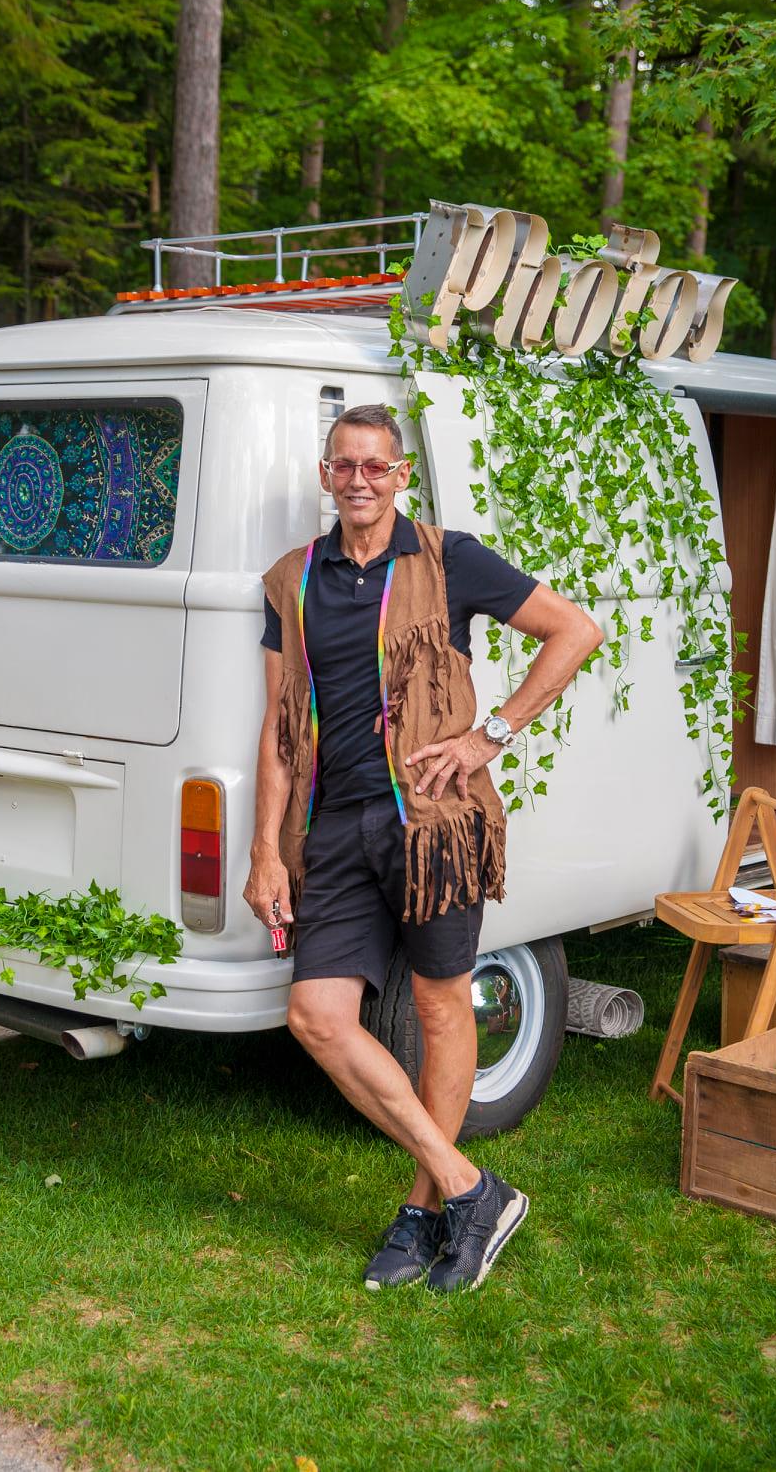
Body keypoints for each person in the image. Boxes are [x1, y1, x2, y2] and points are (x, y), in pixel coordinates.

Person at [243, 403, 602, 1292]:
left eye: (374, 466)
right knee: (318, 1018)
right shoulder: (291, 579)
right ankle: (471, 1187)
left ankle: (423, 1213)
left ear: (402, 475)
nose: (358, 480)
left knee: (442, 1010)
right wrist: (263, 850)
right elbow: (280, 725)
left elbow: (576, 631)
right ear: (324, 477)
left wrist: (493, 736)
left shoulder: (451, 561)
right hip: (332, 831)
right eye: (342, 466)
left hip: (433, 828)